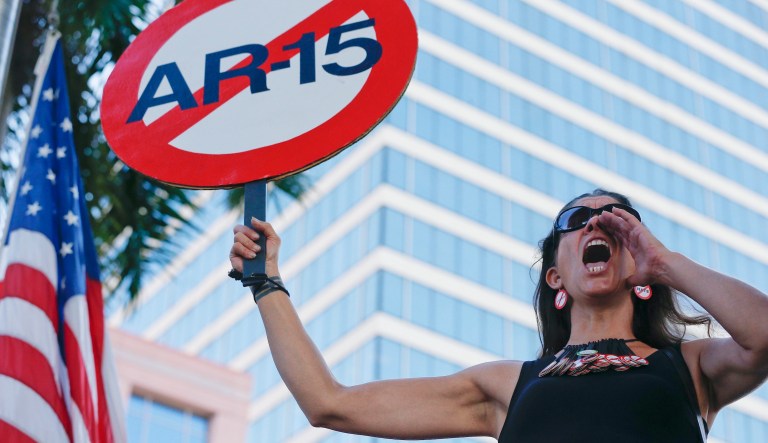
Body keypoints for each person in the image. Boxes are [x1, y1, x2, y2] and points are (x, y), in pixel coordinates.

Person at [229, 189, 768, 442]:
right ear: (555, 277)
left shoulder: (690, 366)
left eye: (618, 218)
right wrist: (265, 282)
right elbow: (329, 404)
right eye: (577, 218)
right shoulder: (505, 386)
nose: (597, 224)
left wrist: (667, 264)